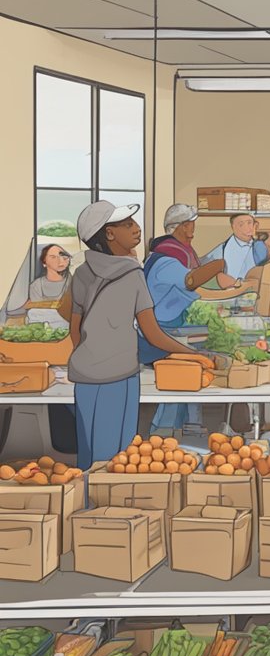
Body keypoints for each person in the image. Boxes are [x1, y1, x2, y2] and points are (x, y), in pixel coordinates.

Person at [68, 201, 204, 469]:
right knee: (119, 459)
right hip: (119, 375)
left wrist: (90, 356)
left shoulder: (81, 273)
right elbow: (152, 333)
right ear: (109, 234)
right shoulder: (132, 274)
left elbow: (75, 328)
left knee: (88, 455)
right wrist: (194, 354)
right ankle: (110, 508)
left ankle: (85, 505)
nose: (137, 228)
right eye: (128, 224)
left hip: (85, 377)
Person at [142, 204, 230, 434]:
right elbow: (191, 281)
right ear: (182, 227)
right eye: (190, 224)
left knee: (187, 387)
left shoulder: (179, 256)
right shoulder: (166, 260)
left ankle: (189, 435)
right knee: (178, 388)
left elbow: (198, 289)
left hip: (176, 328)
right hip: (161, 334)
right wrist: (218, 265)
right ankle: (162, 436)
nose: (193, 230)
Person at [203, 213, 270, 285]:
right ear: (233, 227)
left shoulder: (258, 246)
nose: (247, 228)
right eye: (241, 225)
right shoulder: (222, 250)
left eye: (249, 223)